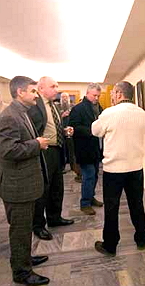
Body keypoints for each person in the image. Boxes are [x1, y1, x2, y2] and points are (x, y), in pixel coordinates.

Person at [0, 76, 50, 285]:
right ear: (20, 92)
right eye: (33, 91)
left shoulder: (22, 113)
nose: (36, 95)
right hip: (17, 186)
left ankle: (25, 259)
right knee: (19, 230)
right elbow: (8, 150)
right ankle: (21, 272)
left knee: (25, 227)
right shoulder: (9, 116)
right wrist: (36, 144)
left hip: (26, 184)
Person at [91, 81, 145, 256]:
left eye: (113, 94)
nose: (112, 97)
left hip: (114, 170)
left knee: (111, 208)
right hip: (136, 167)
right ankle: (141, 237)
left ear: (118, 93)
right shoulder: (142, 113)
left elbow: (95, 130)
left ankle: (110, 245)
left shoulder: (109, 113)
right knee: (136, 204)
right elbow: (143, 130)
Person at [28, 76, 74, 241]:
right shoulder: (35, 106)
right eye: (53, 86)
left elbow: (53, 126)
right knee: (43, 190)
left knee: (57, 186)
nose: (56, 89)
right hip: (43, 152)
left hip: (57, 150)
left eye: (57, 86)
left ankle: (55, 218)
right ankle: (38, 225)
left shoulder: (54, 106)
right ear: (41, 89)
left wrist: (64, 130)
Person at [69, 83, 104, 215]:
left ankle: (91, 197)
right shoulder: (78, 109)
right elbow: (74, 127)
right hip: (84, 148)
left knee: (94, 175)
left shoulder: (98, 107)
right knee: (88, 176)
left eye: (98, 96)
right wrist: (92, 131)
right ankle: (85, 203)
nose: (97, 98)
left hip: (95, 148)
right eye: (94, 95)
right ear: (88, 93)